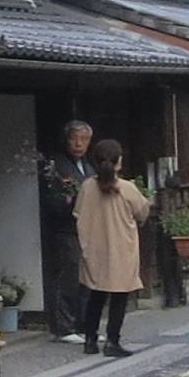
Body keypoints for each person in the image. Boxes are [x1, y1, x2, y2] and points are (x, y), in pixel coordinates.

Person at [73, 138, 157, 359]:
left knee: (96, 294)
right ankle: (112, 341)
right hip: (121, 248)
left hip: (94, 248)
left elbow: (77, 213)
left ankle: (90, 339)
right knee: (119, 296)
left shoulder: (86, 187)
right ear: (119, 161)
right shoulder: (126, 188)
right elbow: (142, 212)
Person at [34, 119, 96, 339]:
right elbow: (52, 199)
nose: (79, 143)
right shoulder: (56, 164)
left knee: (87, 280)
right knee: (67, 277)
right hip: (66, 229)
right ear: (66, 139)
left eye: (84, 139)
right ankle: (63, 327)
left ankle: (83, 325)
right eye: (74, 138)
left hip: (87, 231)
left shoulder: (88, 167)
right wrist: (71, 201)